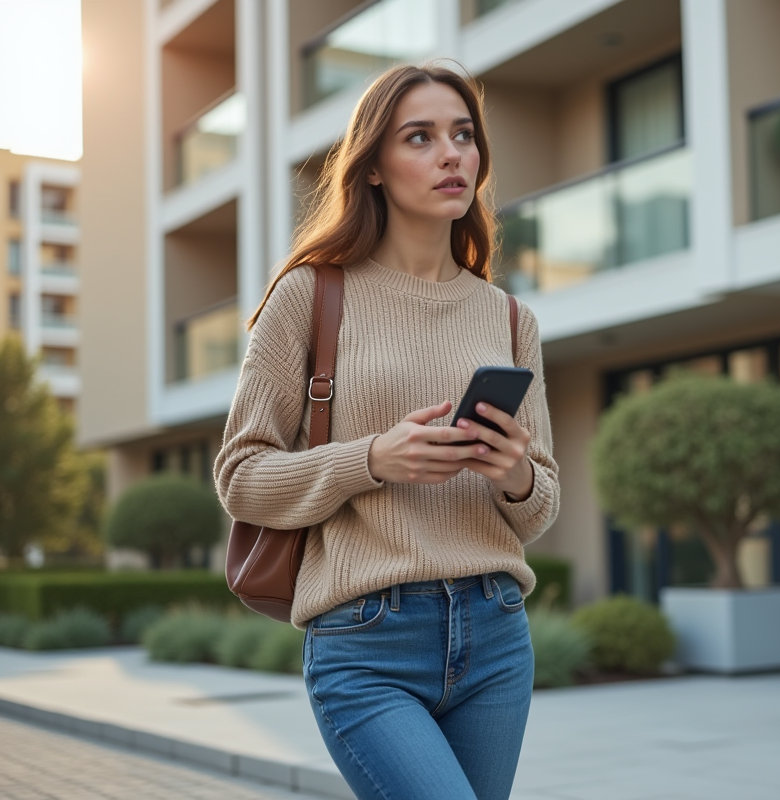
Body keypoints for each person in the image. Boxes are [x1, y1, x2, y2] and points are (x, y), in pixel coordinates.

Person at [213, 62, 560, 800]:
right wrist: (372, 458)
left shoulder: (508, 317)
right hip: (367, 639)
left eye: (464, 135)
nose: (452, 155)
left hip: (496, 632)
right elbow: (240, 478)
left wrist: (513, 472)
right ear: (373, 166)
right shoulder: (310, 295)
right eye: (421, 137)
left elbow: (541, 508)